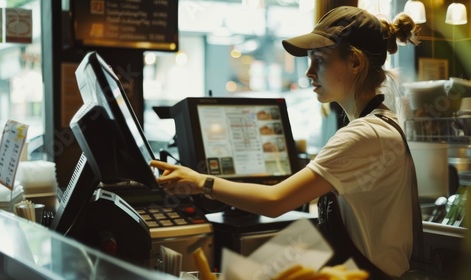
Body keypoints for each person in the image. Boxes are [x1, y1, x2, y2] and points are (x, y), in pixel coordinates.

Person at [150, 6, 420, 279]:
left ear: (354, 63)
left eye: (320, 60)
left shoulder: (365, 135)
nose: (309, 72)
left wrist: (202, 182)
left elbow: (275, 201)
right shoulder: (379, 124)